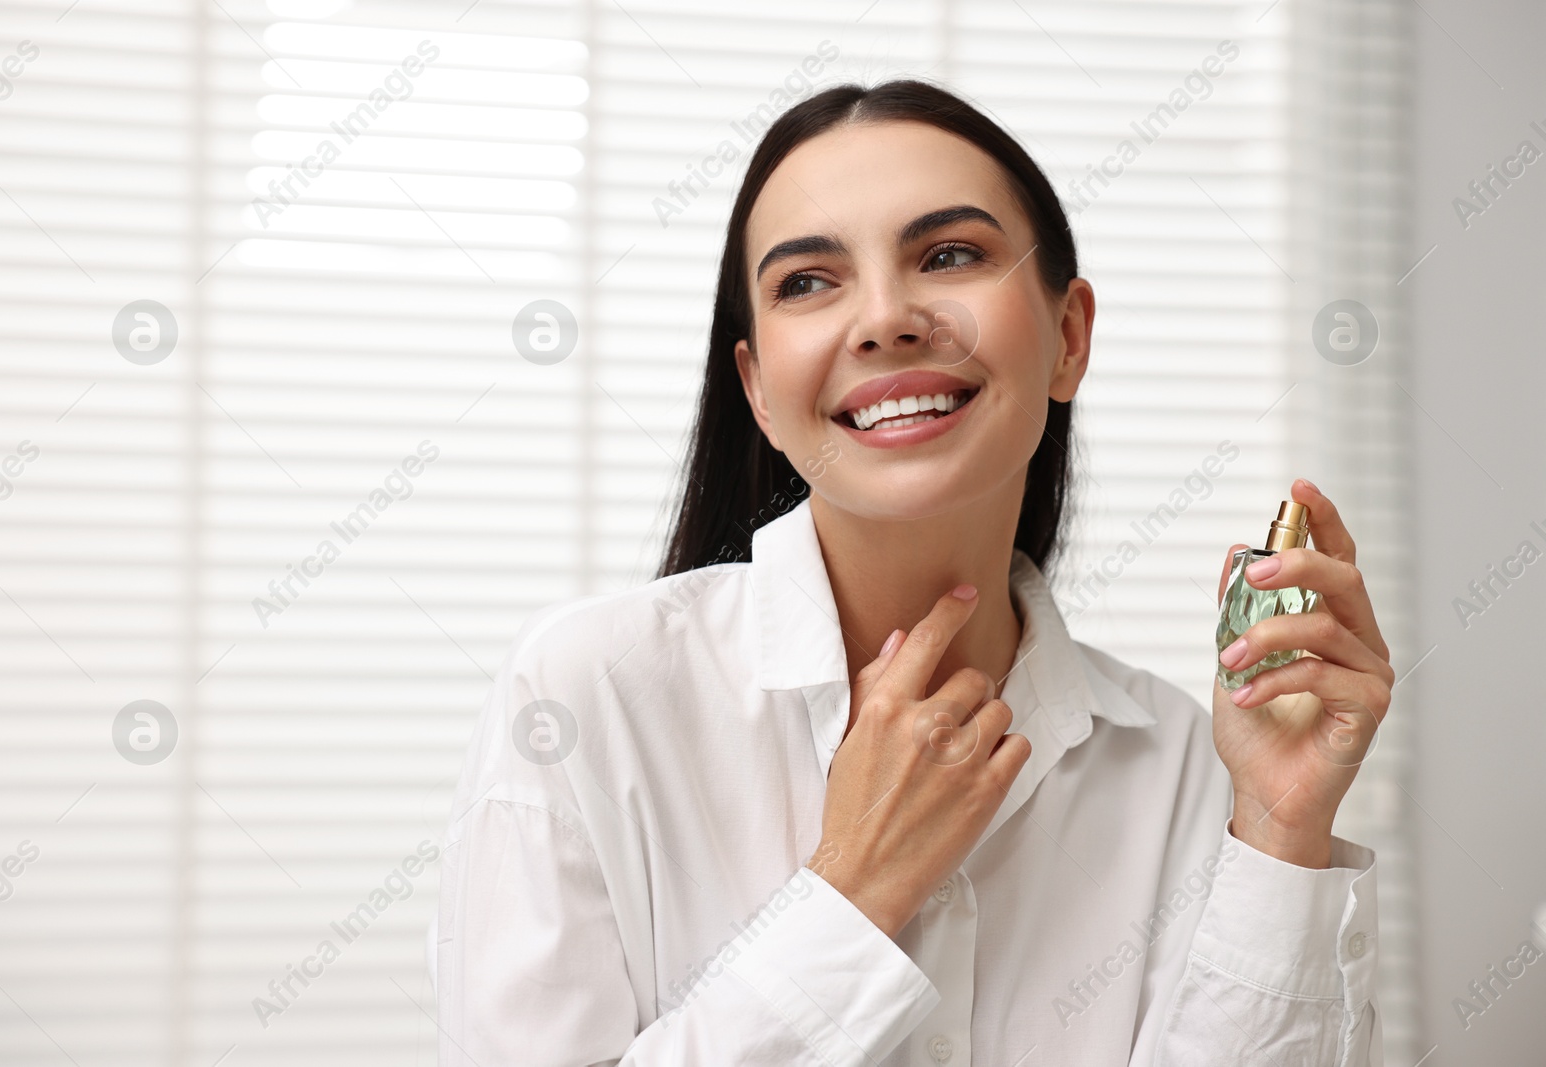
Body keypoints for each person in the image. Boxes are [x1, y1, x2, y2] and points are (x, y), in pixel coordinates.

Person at [434, 79, 1394, 1065]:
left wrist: (1281, 832)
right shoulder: (581, 700)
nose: (884, 318)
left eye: (948, 255)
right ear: (759, 390)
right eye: (807, 281)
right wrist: (853, 891)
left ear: (1067, 337)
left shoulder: (1192, 772)